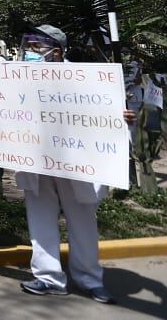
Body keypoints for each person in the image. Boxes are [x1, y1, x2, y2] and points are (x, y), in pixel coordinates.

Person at [14, 25, 131, 303]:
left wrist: (122, 117)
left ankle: (90, 279)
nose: (29, 53)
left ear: (56, 51)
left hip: (75, 163)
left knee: (82, 222)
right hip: (37, 161)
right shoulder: (17, 78)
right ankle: (48, 277)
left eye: (35, 48)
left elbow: (105, 111)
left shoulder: (85, 79)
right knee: (40, 220)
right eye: (28, 47)